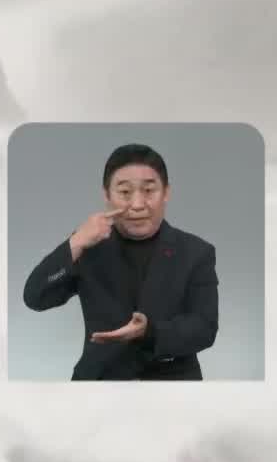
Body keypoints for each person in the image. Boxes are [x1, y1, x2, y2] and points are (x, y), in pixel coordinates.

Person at [22, 143, 219, 380]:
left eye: (149, 191)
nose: (137, 204)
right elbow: (35, 297)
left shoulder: (196, 252)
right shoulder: (89, 246)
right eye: (125, 193)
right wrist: (76, 241)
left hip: (173, 385)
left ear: (166, 193)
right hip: (100, 382)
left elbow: (204, 328)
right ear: (107, 195)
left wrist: (150, 332)